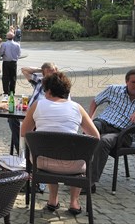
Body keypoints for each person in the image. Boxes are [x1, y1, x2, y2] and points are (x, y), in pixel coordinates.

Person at [21, 72, 100, 215]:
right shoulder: (77, 107)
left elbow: (24, 132)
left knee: (48, 149)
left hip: (42, 161)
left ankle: (52, 200)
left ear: (49, 90)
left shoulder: (37, 105)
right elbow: (95, 136)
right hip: (73, 165)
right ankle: (74, 202)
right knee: (80, 154)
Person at [8, 62, 58, 155]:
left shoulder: (59, 85)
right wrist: (40, 69)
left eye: (52, 71)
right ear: (43, 74)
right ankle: (21, 151)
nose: (50, 74)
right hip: (30, 114)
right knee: (12, 119)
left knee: (27, 127)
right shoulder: (39, 81)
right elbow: (24, 69)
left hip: (43, 116)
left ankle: (31, 153)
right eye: (47, 72)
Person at [0, 31, 21, 96]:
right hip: (14, 62)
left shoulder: (4, 44)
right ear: (13, 37)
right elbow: (19, 54)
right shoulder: (17, 44)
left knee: (5, 77)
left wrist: (2, 55)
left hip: (6, 62)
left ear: (6, 37)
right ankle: (12, 91)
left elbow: (1, 53)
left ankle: (6, 91)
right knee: (13, 77)